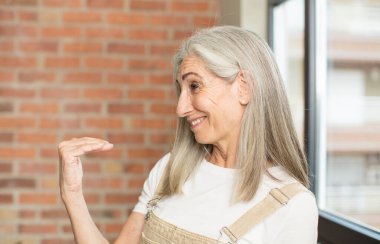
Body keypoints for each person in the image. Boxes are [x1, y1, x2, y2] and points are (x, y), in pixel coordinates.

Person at [59, 25, 318, 244]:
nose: (181, 108)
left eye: (194, 86)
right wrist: (73, 193)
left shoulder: (292, 205)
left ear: (244, 87)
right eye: (181, 90)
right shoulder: (170, 170)